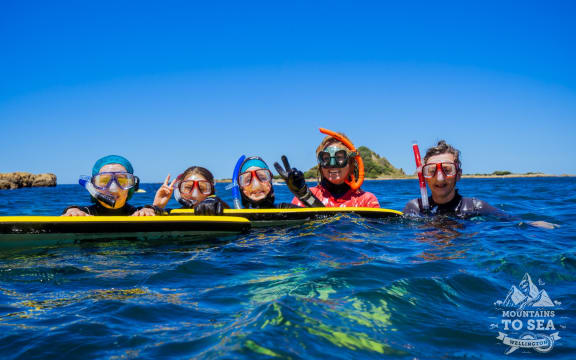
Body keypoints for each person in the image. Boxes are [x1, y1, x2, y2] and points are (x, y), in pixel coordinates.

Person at [403, 141, 558, 229]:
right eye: (431, 171)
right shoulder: (414, 208)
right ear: (424, 176)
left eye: (447, 169)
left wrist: (534, 225)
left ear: (458, 174)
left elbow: (514, 222)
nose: (440, 177)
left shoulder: (475, 207)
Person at [278, 128, 380, 208]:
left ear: (351, 163)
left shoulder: (366, 200)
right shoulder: (304, 196)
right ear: (320, 165)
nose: (332, 164)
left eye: (339, 157)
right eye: (326, 158)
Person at [62, 155, 156, 216]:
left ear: (131, 186)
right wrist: (71, 210)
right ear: (93, 186)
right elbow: (74, 211)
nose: (113, 188)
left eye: (122, 180)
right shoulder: (84, 213)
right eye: (104, 180)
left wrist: (154, 208)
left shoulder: (138, 213)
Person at [152, 166, 230, 215]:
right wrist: (156, 207)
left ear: (211, 191)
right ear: (179, 191)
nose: (195, 194)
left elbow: (227, 210)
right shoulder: (172, 214)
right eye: (188, 187)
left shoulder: (218, 208)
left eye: (202, 188)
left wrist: (216, 202)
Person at [234, 156, 299, 209]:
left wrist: (303, 194)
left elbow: (309, 217)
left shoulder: (285, 210)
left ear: (270, 181)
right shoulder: (235, 217)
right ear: (241, 187)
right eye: (248, 180)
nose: (256, 185)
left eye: (262, 178)